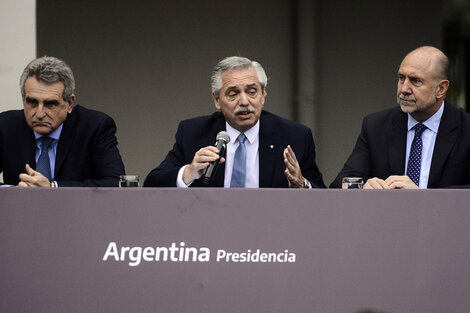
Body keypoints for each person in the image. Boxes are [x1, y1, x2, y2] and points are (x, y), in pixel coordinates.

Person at [144, 56, 325, 188]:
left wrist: (302, 184)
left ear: (263, 96)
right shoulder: (193, 133)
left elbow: (324, 196)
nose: (244, 101)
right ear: (217, 100)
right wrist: (189, 172)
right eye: (233, 94)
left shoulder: (295, 137)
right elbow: (152, 183)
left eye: (252, 91)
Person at [331, 46, 470, 189]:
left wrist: (423, 198)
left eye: (415, 81)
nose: (404, 89)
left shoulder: (466, 129)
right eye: (401, 78)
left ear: (441, 88)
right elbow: (340, 183)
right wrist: (363, 187)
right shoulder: (376, 126)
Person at [0, 56, 125, 187]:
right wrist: (11, 191)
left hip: (76, 208)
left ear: (70, 103)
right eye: (32, 102)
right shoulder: (6, 126)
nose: (40, 114)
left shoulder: (94, 127)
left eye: (50, 104)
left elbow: (114, 183)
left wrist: (53, 187)